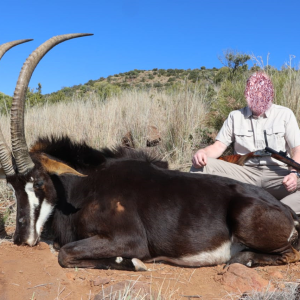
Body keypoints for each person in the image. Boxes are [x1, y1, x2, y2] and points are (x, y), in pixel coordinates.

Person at [190, 71, 300, 215]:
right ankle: (203, 218)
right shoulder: (235, 116)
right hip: (244, 174)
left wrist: (293, 174)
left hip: (278, 175)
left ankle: (278, 212)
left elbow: (297, 149)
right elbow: (218, 147)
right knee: (200, 167)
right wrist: (202, 152)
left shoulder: (285, 114)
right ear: (246, 93)